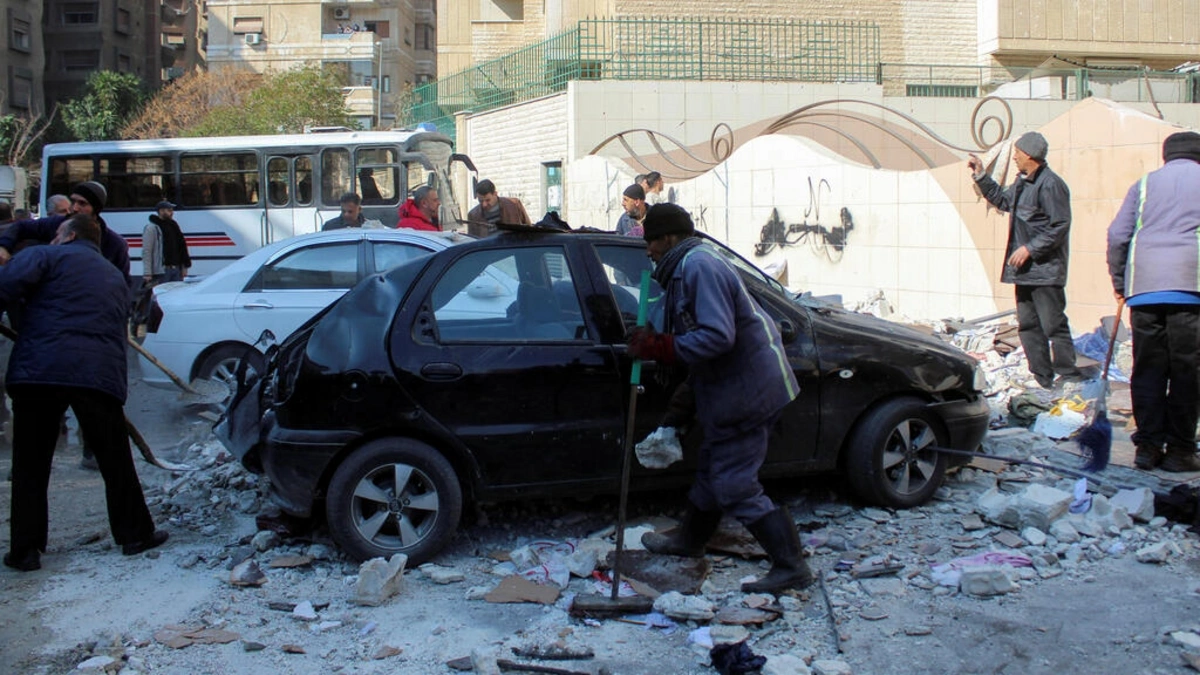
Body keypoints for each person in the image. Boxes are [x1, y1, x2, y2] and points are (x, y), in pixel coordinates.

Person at [629, 203, 810, 594]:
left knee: (734, 482)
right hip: (729, 385)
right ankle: (689, 540)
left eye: (651, 242)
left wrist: (661, 346)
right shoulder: (682, 270)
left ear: (669, 238)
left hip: (749, 388)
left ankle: (790, 565)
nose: (648, 251)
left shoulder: (699, 266)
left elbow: (716, 336)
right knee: (713, 467)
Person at [0, 214, 168, 571]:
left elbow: (6, 285)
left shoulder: (46, 255)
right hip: (98, 375)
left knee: (30, 463)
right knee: (115, 460)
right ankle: (136, 534)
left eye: (58, 234)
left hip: (40, 372)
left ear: (69, 234)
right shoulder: (114, 276)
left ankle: (26, 551)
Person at [1107, 131, 1200, 472]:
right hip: (1191, 290)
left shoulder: (1144, 185)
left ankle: (1146, 448)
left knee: (1148, 369)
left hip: (1144, 290)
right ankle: (1180, 451)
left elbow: (1118, 235)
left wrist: (1120, 282)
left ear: (1166, 156)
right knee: (1187, 370)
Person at [969, 132, 1080, 390]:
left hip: (1046, 269)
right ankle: (1041, 377)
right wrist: (981, 176)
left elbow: (1060, 225)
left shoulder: (1051, 185)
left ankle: (1068, 374)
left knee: (1053, 323)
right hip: (1025, 271)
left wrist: (1030, 249)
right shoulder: (1021, 183)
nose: (1015, 157)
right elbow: (1002, 200)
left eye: (1017, 152)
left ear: (1029, 155)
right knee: (1028, 325)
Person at [0, 181, 131, 286]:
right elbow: (20, 226)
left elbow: (123, 284)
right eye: (73, 201)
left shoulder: (114, 244)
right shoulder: (55, 223)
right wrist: (4, 246)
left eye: (82, 203)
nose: (74, 208)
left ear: (96, 208)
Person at [142, 200, 192, 286]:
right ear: (161, 211)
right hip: (161, 271)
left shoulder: (174, 226)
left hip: (176, 269)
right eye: (169, 210)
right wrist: (147, 273)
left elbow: (181, 247)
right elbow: (147, 251)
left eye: (172, 210)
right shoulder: (152, 228)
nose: (172, 212)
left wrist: (184, 267)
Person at [466, 179, 531, 237]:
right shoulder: (473, 215)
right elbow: (472, 241)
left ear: (495, 194)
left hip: (512, 247)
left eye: (488, 200)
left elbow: (529, 229)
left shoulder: (514, 205)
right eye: (480, 201)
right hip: (488, 249)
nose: (484, 204)